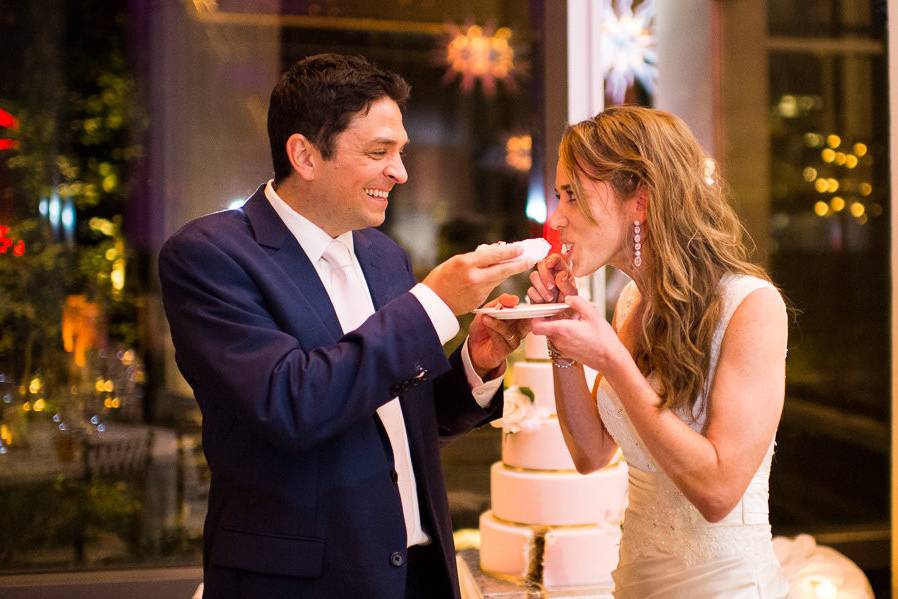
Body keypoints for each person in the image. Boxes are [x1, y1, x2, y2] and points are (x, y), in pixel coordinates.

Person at [159, 53, 532, 599]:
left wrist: (477, 363)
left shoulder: (384, 257)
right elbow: (291, 405)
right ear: (304, 155)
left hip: (421, 574)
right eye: (379, 153)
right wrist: (434, 302)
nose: (400, 173)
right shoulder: (210, 255)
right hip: (302, 583)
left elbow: (404, 421)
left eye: (400, 153)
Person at [527, 105, 790, 598]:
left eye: (572, 196)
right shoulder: (634, 302)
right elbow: (590, 453)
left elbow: (717, 492)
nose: (557, 217)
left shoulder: (752, 307)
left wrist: (611, 360)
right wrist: (560, 338)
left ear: (640, 201)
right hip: (636, 583)